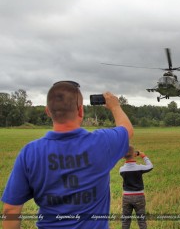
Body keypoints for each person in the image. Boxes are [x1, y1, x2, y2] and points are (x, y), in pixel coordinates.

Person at [1, 81, 134, 229]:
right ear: (80, 111)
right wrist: (115, 106)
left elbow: (11, 210)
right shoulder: (102, 142)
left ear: (48, 111)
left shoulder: (29, 152)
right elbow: (127, 129)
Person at [120, 146, 153, 229]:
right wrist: (143, 156)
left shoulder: (122, 170)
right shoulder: (139, 168)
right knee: (141, 221)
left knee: (125, 221)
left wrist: (126, 155)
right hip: (139, 197)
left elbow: (126, 161)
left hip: (126, 197)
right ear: (134, 154)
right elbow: (150, 166)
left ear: (123, 156)